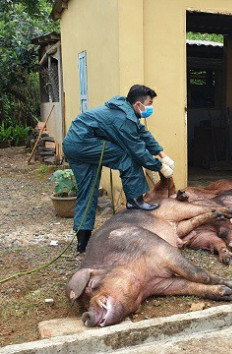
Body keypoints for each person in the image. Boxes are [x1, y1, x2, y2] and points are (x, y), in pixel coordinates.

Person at [62, 84, 174, 253]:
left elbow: (143, 134)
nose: (151, 107)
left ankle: (83, 242)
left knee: (88, 189)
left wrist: (162, 154)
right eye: (149, 103)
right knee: (127, 157)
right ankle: (136, 201)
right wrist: (159, 167)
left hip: (73, 144)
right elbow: (137, 150)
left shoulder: (126, 112)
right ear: (138, 105)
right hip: (84, 143)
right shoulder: (123, 119)